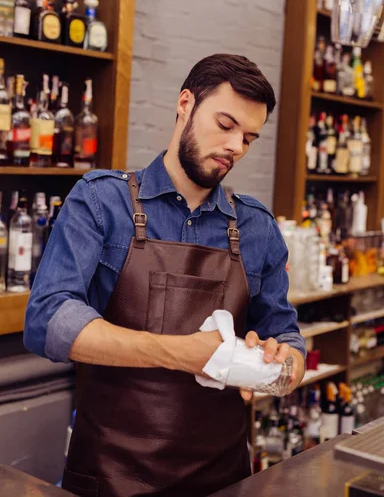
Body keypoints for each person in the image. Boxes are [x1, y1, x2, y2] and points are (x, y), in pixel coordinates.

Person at [24, 54, 306, 497]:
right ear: (185, 103)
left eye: (249, 137)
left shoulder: (257, 228)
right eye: (226, 124)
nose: (236, 146)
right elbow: (46, 319)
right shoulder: (102, 202)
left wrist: (275, 370)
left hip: (223, 479)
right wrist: (182, 353)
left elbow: (289, 345)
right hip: (109, 477)